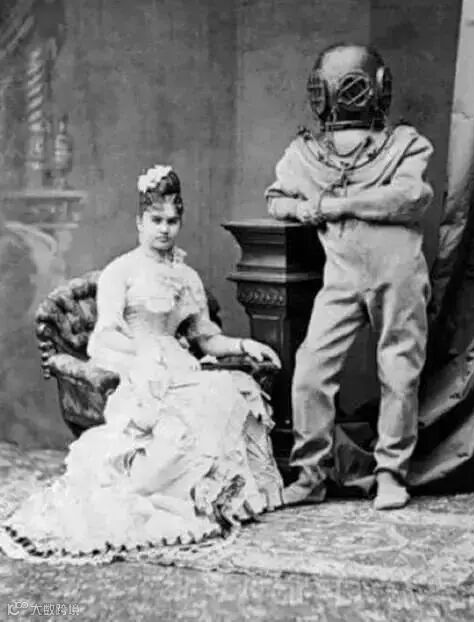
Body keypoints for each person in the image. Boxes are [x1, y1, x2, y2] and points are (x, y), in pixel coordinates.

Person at [0, 165, 283, 561]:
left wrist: (244, 344)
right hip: (137, 365)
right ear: (139, 222)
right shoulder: (122, 271)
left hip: (180, 365)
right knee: (176, 421)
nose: (164, 229)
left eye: (171, 221)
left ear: (180, 222)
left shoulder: (186, 276)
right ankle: (171, 492)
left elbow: (205, 338)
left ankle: (219, 497)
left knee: (233, 390)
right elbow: (105, 335)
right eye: (156, 220)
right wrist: (144, 359)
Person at [265, 44, 433, 510]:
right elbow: (275, 198)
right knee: (311, 370)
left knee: (398, 370)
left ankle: (391, 474)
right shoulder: (305, 155)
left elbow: (410, 198)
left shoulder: (405, 144)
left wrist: (336, 205)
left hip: (398, 276)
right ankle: (311, 475)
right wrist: (301, 208)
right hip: (341, 278)